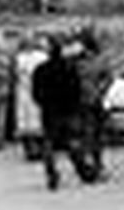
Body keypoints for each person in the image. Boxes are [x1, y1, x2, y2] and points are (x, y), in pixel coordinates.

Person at [32, 36, 89, 190]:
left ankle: (51, 174)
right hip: (69, 110)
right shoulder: (70, 68)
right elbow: (77, 89)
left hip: (50, 111)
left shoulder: (40, 69)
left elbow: (36, 93)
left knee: (49, 143)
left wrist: (43, 103)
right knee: (73, 141)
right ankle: (82, 170)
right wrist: (75, 105)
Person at [73, 29, 112, 183]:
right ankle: (94, 165)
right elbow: (108, 78)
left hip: (90, 101)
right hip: (89, 101)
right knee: (92, 135)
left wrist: (100, 90)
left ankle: (94, 165)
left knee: (92, 134)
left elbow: (108, 78)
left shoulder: (82, 61)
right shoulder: (86, 60)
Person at [13, 34, 48, 161]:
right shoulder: (19, 57)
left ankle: (39, 149)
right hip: (23, 91)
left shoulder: (41, 57)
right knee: (25, 122)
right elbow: (16, 73)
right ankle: (29, 151)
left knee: (37, 121)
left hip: (37, 91)